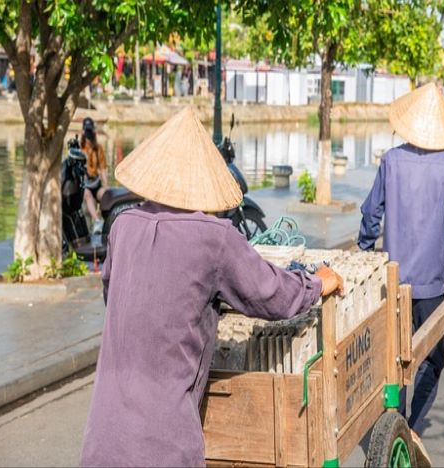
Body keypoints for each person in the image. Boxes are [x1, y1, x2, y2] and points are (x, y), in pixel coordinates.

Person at [80, 106, 344, 467]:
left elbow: (115, 297)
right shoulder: (214, 238)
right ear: (203, 181)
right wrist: (316, 282)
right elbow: (272, 295)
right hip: (165, 445)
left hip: (102, 439)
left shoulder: (122, 227)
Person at [358, 83, 444, 463]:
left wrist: (366, 250)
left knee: (395, 359)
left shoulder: (390, 160)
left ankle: (395, 422)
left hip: (391, 279)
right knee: (431, 358)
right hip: (430, 282)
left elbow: (371, 215)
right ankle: (410, 423)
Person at [80, 117, 108, 233]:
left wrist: (106, 186)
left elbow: (102, 169)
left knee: (105, 194)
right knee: (87, 194)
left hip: (96, 182)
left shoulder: (98, 148)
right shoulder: (79, 147)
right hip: (85, 185)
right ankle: (97, 221)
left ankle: (106, 223)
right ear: (83, 132)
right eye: (87, 132)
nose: (88, 135)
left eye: (90, 131)